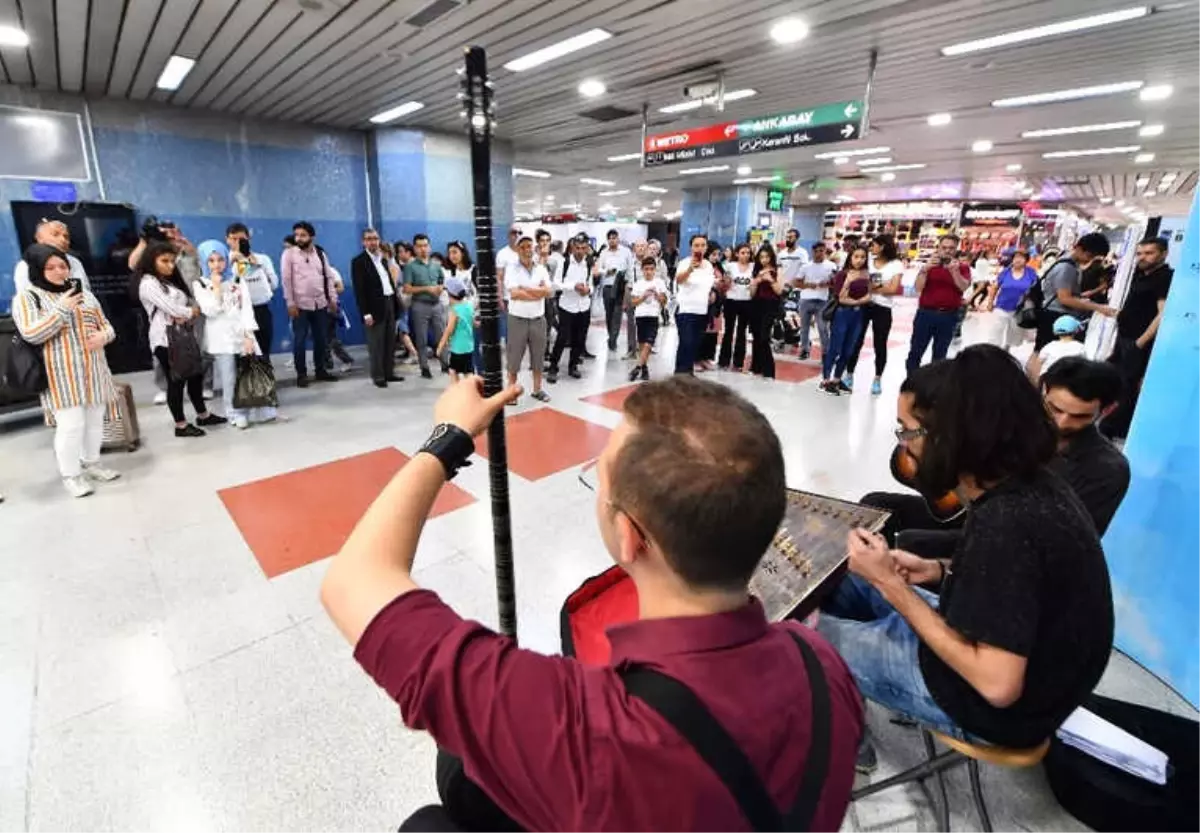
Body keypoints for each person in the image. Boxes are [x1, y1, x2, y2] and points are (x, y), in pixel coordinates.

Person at [321, 375, 863, 833]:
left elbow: (354, 579)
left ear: (629, 536)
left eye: (600, 479)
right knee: (461, 778)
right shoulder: (822, 662)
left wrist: (448, 437)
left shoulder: (591, 730)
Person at [820, 345, 1114, 770]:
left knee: (798, 637)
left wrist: (892, 584)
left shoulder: (1008, 521)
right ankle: (846, 710)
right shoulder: (1029, 486)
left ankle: (841, 742)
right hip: (1019, 669)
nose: (904, 446)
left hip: (992, 709)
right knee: (842, 580)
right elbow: (1022, 588)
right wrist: (938, 569)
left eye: (907, 431)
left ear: (948, 438)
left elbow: (997, 684)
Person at [865, 357, 1129, 561]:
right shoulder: (1014, 424)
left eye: (1080, 417)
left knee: (911, 541)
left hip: (1012, 538)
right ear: (1043, 388)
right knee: (875, 507)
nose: (1061, 422)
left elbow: (1064, 545)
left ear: (1107, 410)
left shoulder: (1107, 470)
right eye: (1055, 408)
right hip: (971, 514)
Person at [12, 245, 121, 497]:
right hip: (60, 375)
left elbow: (108, 326)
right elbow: (31, 333)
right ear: (37, 270)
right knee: (71, 425)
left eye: (62, 266)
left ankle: (92, 463)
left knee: (95, 421)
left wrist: (103, 336)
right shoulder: (28, 297)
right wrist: (61, 310)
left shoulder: (84, 295)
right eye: (50, 268)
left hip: (94, 369)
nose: (59, 271)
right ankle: (71, 475)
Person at [137, 241, 225, 437]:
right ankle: (181, 425)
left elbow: (179, 306)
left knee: (195, 376)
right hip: (166, 339)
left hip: (183, 335)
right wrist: (190, 311)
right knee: (176, 382)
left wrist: (186, 313)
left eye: (171, 261)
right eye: (164, 261)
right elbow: (172, 308)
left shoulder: (166, 281)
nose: (169, 265)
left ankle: (203, 415)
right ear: (151, 261)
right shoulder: (148, 283)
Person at [192, 240, 278, 429]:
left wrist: (248, 335)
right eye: (211, 261)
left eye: (221, 260)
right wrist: (216, 289)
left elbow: (246, 307)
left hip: (242, 333)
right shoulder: (199, 284)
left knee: (252, 371)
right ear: (204, 263)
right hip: (220, 338)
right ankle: (234, 413)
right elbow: (211, 310)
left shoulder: (237, 278)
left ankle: (261, 408)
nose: (217, 265)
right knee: (229, 377)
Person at [1103, 237, 1174, 441]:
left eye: (1149, 253)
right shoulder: (1141, 275)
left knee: (1128, 387)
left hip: (1139, 342)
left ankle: (1117, 430)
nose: (1143, 257)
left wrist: (1140, 342)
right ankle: (1111, 426)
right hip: (1125, 339)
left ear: (1163, 254)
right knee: (1117, 382)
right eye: (1140, 253)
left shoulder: (1164, 278)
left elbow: (1163, 314)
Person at [281, 221, 339, 388]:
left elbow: (328, 278)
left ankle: (320, 370)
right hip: (299, 305)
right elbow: (286, 280)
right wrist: (290, 302)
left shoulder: (320, 254)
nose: (298, 238)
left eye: (303, 235)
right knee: (299, 340)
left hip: (320, 304)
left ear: (311, 237)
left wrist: (332, 299)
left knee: (321, 339)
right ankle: (302, 374)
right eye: (296, 235)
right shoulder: (289, 255)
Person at [844, 235, 904, 395]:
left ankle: (877, 378)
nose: (871, 248)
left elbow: (893, 289)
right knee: (856, 340)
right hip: (863, 305)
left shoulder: (896, 264)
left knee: (880, 343)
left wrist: (872, 287)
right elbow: (860, 281)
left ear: (883, 246)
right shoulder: (868, 260)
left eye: (874, 245)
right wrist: (877, 286)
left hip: (883, 308)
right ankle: (849, 375)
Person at [1035, 232, 1115, 351]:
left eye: (1094, 258)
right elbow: (1065, 298)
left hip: (1056, 314)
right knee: (1044, 352)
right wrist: (1097, 307)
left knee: (1045, 351)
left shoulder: (1069, 264)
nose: (1090, 260)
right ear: (1078, 248)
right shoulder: (1066, 268)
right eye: (1089, 256)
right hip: (1055, 316)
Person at [905, 235, 971, 374]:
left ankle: (935, 386)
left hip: (948, 315)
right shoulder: (929, 267)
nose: (947, 251)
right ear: (938, 248)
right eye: (944, 247)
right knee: (916, 350)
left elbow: (963, 287)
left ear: (956, 250)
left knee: (940, 354)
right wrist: (925, 270)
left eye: (951, 248)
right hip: (925, 313)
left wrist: (954, 272)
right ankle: (911, 382)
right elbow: (918, 288)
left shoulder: (962, 267)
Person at [350, 228, 403, 389]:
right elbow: (359, 290)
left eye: (375, 238)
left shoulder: (383, 260)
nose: (373, 241)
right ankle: (378, 376)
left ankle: (389, 373)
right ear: (363, 242)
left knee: (389, 342)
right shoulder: (358, 262)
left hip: (389, 303)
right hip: (373, 308)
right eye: (369, 239)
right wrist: (365, 313)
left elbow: (388, 284)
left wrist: (395, 304)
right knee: (376, 344)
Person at [504, 236, 553, 403]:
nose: (527, 250)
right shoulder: (512, 268)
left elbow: (548, 291)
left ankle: (537, 389)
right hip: (517, 319)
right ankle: (511, 392)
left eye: (529, 247)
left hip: (538, 319)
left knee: (538, 356)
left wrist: (526, 289)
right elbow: (514, 293)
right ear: (518, 250)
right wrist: (537, 292)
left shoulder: (541, 268)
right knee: (514, 356)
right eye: (523, 247)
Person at [225, 223, 279, 361]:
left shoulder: (263, 259)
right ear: (227, 240)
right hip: (238, 313)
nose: (238, 242)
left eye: (241, 239)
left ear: (248, 238)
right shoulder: (223, 261)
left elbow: (274, 284)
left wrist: (257, 266)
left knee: (263, 351)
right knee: (242, 355)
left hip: (261, 310)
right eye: (234, 239)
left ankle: (265, 381)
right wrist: (233, 263)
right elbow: (230, 286)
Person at [821, 247, 872, 395]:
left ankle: (837, 379)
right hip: (842, 314)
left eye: (863, 257)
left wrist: (856, 302)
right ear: (850, 257)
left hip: (858, 315)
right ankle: (825, 380)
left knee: (848, 349)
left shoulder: (868, 275)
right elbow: (841, 297)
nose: (859, 260)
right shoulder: (842, 274)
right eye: (856, 256)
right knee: (835, 348)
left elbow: (871, 294)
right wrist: (848, 282)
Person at [546, 235, 594, 384]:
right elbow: (556, 284)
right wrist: (573, 286)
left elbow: (590, 283)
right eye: (577, 248)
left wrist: (588, 290)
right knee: (562, 338)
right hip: (567, 306)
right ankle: (554, 367)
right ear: (572, 248)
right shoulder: (564, 263)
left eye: (583, 248)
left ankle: (573, 366)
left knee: (579, 338)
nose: (580, 251)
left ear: (587, 248)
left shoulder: (589, 263)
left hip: (584, 306)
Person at [403, 234, 450, 379]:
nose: (423, 249)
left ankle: (445, 363)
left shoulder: (436, 266)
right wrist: (426, 289)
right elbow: (407, 288)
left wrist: (440, 288)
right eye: (419, 246)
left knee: (442, 336)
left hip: (437, 305)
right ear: (415, 248)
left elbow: (442, 282)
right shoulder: (410, 267)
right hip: (420, 305)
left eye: (425, 245)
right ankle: (424, 367)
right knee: (421, 338)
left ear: (429, 247)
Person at [976, 248, 1035, 350]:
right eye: (1016, 257)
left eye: (1021, 258)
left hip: (1019, 309)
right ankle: (993, 350)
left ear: (1026, 260)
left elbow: (1035, 289)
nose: (1018, 260)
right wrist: (990, 303)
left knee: (1014, 333)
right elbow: (995, 287)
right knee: (996, 330)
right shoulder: (1005, 272)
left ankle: (1007, 349)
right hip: (1002, 306)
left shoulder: (1031, 273)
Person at [673, 235, 715, 375]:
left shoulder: (708, 265)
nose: (700, 248)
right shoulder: (685, 263)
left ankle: (688, 372)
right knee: (686, 342)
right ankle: (680, 373)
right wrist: (690, 269)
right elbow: (678, 280)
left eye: (703, 245)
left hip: (701, 310)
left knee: (695, 344)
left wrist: (712, 293)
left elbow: (708, 284)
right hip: (686, 309)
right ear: (691, 247)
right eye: (696, 245)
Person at [12, 220, 91, 295]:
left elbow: (84, 292)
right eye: (55, 234)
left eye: (66, 236)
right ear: (39, 238)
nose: (63, 239)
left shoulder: (74, 262)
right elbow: (28, 299)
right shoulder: (26, 265)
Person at [594, 229, 635, 353]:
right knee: (609, 314)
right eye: (610, 238)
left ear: (618, 238)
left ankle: (613, 340)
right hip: (607, 286)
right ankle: (611, 336)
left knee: (617, 313)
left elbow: (630, 269)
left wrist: (630, 285)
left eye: (614, 237)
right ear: (608, 240)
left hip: (621, 286)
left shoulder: (626, 252)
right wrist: (607, 271)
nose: (612, 240)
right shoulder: (604, 253)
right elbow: (598, 269)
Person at [627, 256, 668, 382]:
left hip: (653, 316)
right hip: (640, 316)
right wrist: (643, 297)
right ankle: (644, 367)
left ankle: (638, 367)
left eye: (651, 269)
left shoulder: (659, 282)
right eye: (646, 269)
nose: (649, 271)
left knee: (649, 343)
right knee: (642, 343)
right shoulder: (638, 284)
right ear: (642, 270)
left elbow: (664, 301)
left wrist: (657, 295)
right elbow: (633, 302)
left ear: (655, 270)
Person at [795, 242, 836, 361]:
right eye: (816, 251)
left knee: (823, 328)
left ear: (825, 251)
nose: (818, 254)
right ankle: (804, 349)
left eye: (821, 251)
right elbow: (797, 282)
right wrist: (807, 284)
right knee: (804, 327)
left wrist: (827, 284)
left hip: (822, 301)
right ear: (812, 252)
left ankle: (825, 353)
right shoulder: (805, 266)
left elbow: (836, 283)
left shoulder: (831, 266)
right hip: (806, 299)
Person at [749, 245, 785, 379]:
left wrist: (770, 280)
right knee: (756, 336)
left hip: (771, 306)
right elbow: (752, 294)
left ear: (772, 257)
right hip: (756, 305)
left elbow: (779, 291)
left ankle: (769, 370)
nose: (764, 260)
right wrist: (755, 282)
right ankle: (756, 366)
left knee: (764, 337)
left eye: (767, 257)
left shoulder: (777, 270)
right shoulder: (756, 271)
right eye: (762, 257)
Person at [718, 243, 754, 371]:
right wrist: (725, 281)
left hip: (747, 302)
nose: (746, 255)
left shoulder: (753, 267)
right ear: (737, 254)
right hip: (731, 301)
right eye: (743, 253)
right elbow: (725, 284)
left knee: (741, 332)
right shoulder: (730, 266)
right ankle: (723, 361)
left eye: (748, 253)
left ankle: (738, 362)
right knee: (728, 331)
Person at [435, 277, 476, 383]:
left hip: (457, 348)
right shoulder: (469, 306)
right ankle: (471, 391)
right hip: (469, 346)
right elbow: (473, 323)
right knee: (468, 371)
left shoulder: (455, 311)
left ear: (450, 295)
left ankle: (456, 391)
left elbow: (449, 330)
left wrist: (440, 346)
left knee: (453, 371)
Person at [1027, 315, 1086, 380]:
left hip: (1049, 379)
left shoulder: (1049, 346)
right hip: (1071, 380)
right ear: (1076, 331)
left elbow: (1039, 362)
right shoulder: (1080, 347)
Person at [623, 240, 648, 359]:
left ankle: (644, 348)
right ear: (634, 248)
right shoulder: (630, 262)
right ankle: (631, 349)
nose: (640, 248)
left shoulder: (651, 262)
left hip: (646, 294)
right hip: (631, 292)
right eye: (638, 246)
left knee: (645, 322)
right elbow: (625, 280)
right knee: (631, 323)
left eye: (643, 246)